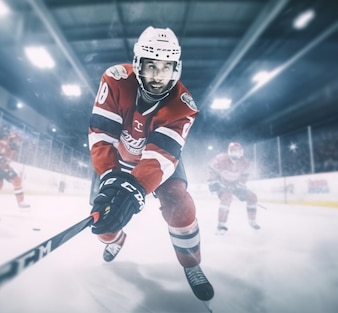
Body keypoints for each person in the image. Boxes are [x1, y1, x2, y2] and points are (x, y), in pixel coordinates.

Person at [87, 26, 214, 302]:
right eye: (151, 66)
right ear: (137, 64)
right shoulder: (115, 79)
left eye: (166, 67)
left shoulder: (184, 105)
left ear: (176, 68)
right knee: (104, 223)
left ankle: (191, 264)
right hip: (115, 159)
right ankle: (116, 239)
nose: (158, 76)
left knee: (181, 205)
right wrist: (110, 177)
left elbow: (161, 155)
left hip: (159, 161)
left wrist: (135, 189)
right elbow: (101, 136)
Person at [207, 142, 260, 234]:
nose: (236, 153)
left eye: (237, 151)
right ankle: (221, 225)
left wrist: (240, 184)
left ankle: (252, 222)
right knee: (227, 198)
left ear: (241, 151)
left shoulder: (245, 162)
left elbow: (245, 175)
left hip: (236, 186)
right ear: (229, 151)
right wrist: (213, 181)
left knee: (253, 197)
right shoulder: (221, 159)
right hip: (222, 185)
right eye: (233, 151)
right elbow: (212, 169)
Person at [0, 132, 30, 210]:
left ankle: (21, 202)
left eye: (18, 141)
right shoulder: (2, 143)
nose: (17, 143)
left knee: (16, 181)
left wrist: (6, 164)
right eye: (16, 141)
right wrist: (3, 161)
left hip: (4, 166)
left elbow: (8, 160)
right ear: (11, 139)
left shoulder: (14, 150)